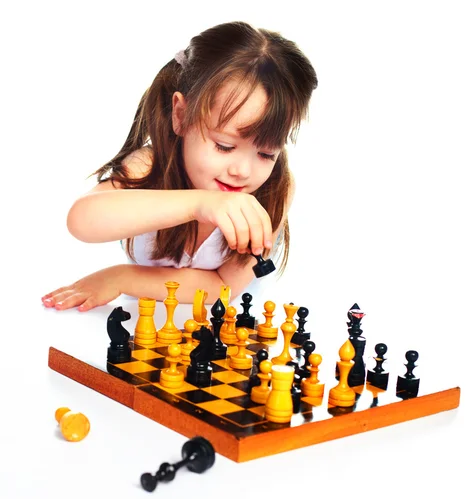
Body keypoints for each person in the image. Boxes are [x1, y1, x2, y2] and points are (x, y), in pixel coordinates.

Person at [42, 21, 318, 311]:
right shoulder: (150, 167)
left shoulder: (276, 188)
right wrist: (200, 204)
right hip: (145, 323)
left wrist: (122, 277)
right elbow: (82, 221)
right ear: (181, 115)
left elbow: (222, 286)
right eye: (224, 146)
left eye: (266, 154)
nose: (243, 171)